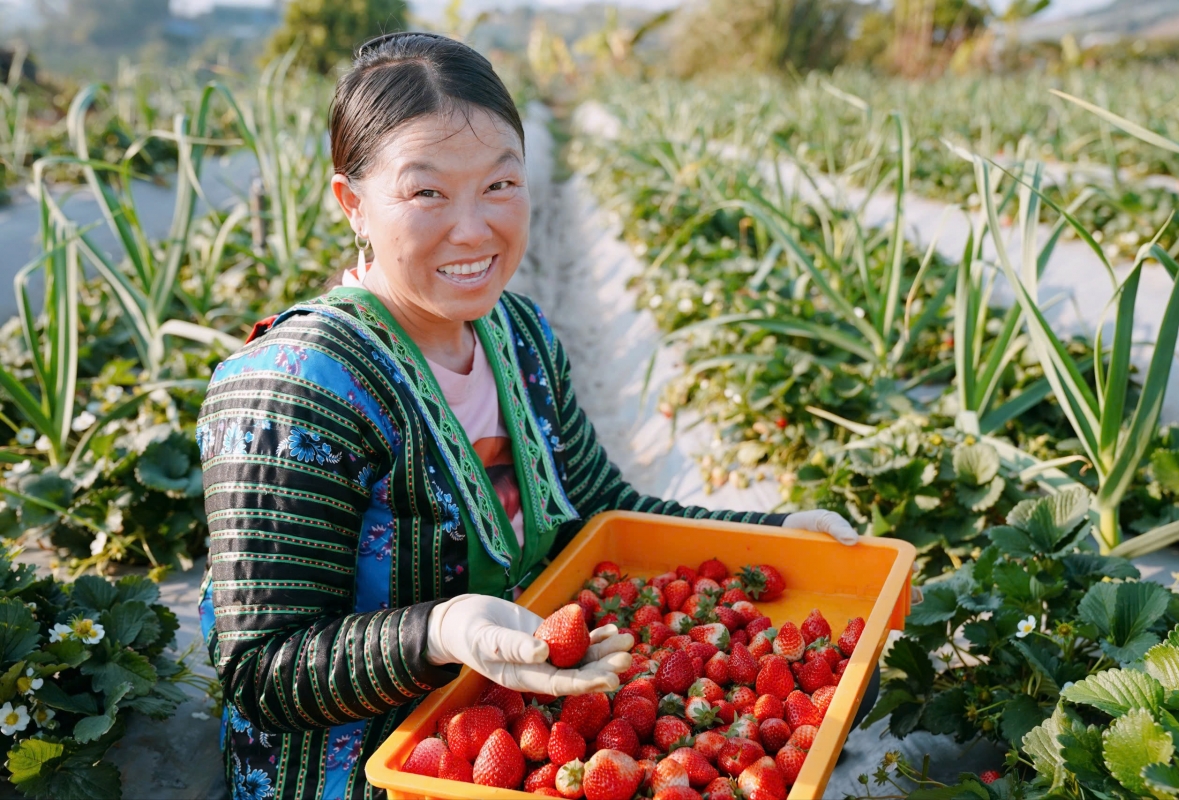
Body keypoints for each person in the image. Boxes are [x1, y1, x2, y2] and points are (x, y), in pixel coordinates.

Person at [195, 31, 860, 800]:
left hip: (534, 708)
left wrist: (763, 534)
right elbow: (262, 672)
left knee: (829, 709)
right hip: (382, 760)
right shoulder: (296, 390)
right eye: (427, 193)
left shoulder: (520, 335)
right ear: (353, 203)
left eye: (500, 184)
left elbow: (605, 509)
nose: (474, 228)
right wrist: (440, 634)